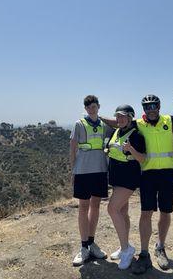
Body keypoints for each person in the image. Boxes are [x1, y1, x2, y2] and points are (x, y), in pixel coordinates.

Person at [131, 94, 173, 274]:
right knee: (145, 213)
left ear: (159, 106)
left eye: (154, 106)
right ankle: (144, 253)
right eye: (147, 107)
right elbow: (119, 121)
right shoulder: (138, 123)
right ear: (144, 109)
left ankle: (160, 247)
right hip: (148, 174)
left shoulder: (171, 120)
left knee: (165, 212)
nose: (151, 110)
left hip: (167, 174)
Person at [70, 95, 112, 266]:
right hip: (83, 171)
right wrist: (72, 171)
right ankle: (84, 247)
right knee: (83, 208)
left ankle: (92, 242)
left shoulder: (104, 126)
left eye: (94, 106)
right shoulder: (79, 124)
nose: (91, 109)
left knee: (95, 207)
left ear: (98, 107)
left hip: (100, 170)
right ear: (85, 108)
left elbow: (120, 124)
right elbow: (73, 148)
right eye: (89, 107)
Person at [107, 104, 146, 270]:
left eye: (123, 116)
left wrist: (131, 149)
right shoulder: (116, 131)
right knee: (123, 212)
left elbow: (143, 159)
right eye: (118, 116)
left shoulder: (136, 135)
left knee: (112, 209)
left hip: (128, 179)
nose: (120, 119)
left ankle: (126, 250)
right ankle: (125, 244)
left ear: (130, 118)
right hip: (116, 178)